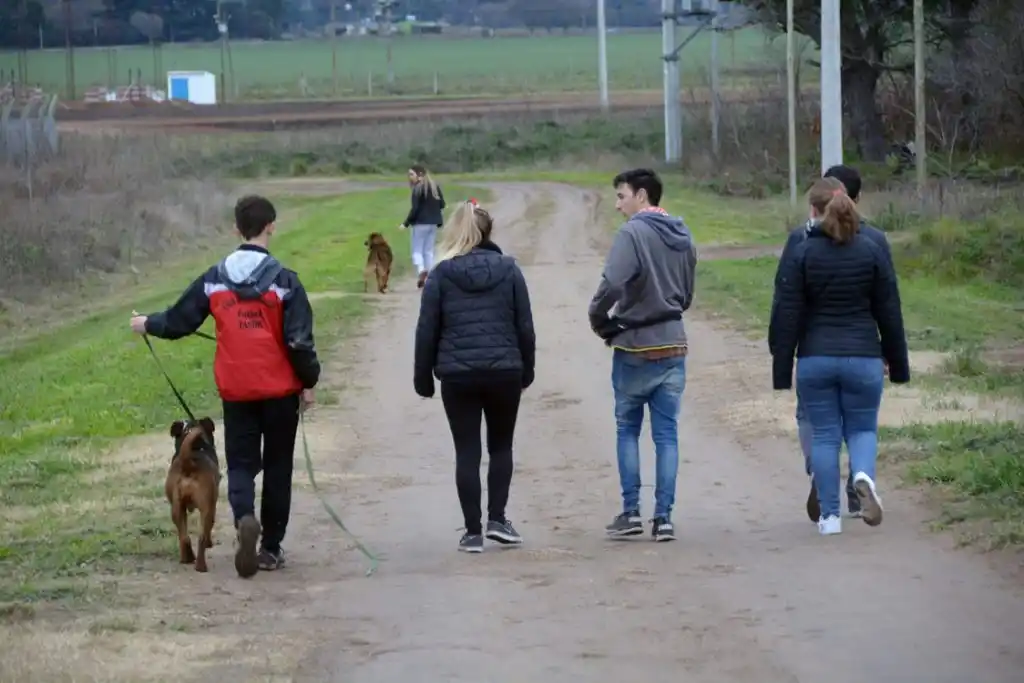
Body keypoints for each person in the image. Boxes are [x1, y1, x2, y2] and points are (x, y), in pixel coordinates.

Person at [130, 195, 320, 576]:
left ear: (236, 229)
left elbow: (181, 320)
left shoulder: (215, 278)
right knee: (279, 467)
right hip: (281, 390)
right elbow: (299, 341)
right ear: (271, 226)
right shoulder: (285, 281)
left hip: (237, 390)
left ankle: (245, 517)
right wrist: (309, 381)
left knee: (242, 466)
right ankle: (269, 548)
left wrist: (147, 323)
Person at [769, 178, 909, 536]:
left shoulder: (803, 251)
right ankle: (862, 476)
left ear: (815, 212)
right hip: (864, 356)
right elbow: (889, 309)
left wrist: (783, 367)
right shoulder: (872, 249)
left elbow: (788, 312)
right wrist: (897, 361)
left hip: (816, 358)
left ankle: (829, 518)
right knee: (862, 429)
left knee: (826, 436)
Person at [413, 199, 536, 554]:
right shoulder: (509, 270)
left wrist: (423, 378)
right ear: (489, 231)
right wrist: (526, 369)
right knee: (501, 446)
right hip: (504, 372)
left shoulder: (441, 274)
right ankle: (498, 517)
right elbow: (524, 326)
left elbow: (427, 330)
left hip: (457, 375)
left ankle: (471, 531)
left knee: (466, 450)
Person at [589, 168, 698, 543]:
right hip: (673, 341)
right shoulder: (683, 233)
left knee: (628, 430)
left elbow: (613, 283)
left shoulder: (632, 233)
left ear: (641, 195)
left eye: (621, 196)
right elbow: (687, 291)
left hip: (635, 343)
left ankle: (631, 511)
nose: (618, 205)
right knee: (667, 435)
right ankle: (664, 517)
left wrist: (599, 316)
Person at [401, 164, 446, 289]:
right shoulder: (435, 187)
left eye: (411, 174)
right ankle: (431, 276)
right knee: (428, 251)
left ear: (420, 175)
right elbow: (442, 204)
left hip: (420, 224)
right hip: (433, 224)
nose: (409, 177)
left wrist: (405, 223)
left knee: (417, 251)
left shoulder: (417, 189)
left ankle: (421, 271)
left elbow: (415, 209)